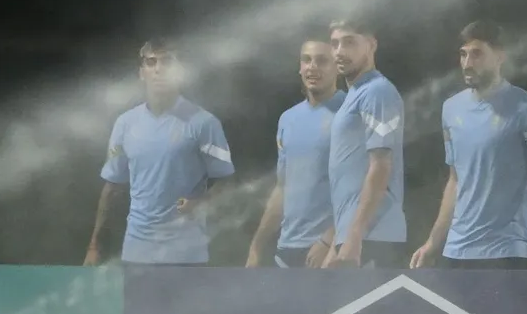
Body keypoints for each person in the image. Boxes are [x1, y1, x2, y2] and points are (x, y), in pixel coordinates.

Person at [410, 20, 527, 270]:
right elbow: (455, 180)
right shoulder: (451, 110)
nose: (467, 63)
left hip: (507, 251)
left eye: (477, 54)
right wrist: (433, 242)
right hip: (457, 252)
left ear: (500, 56)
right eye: (463, 55)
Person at [84, 38, 235, 266]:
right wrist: (94, 247)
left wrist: (200, 201)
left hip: (187, 257)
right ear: (141, 72)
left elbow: (227, 181)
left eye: (166, 62)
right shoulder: (125, 124)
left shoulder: (204, 123)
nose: (158, 69)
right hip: (137, 255)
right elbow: (112, 188)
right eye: (151, 62)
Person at [246, 38, 345, 268]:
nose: (312, 67)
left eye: (322, 61)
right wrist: (257, 246)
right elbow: (283, 187)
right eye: (306, 60)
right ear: (299, 67)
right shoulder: (287, 119)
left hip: (329, 252)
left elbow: (361, 187)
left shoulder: (350, 114)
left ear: (337, 68)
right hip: (287, 250)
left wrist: (329, 239)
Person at [326, 18, 407, 268]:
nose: (339, 51)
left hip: (374, 238)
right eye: (334, 43)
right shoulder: (355, 96)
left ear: (371, 45)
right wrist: (336, 243)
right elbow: (350, 182)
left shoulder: (377, 92)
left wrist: (354, 237)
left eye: (349, 42)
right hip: (357, 237)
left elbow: (381, 165)